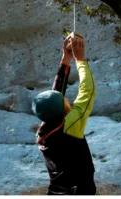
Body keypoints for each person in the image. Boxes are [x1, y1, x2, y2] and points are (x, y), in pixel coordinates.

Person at [32, 35, 96, 195]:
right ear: (62, 109)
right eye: (64, 101)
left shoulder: (44, 128)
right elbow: (88, 92)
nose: (67, 99)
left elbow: (56, 93)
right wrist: (80, 60)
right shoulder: (70, 126)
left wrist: (66, 59)